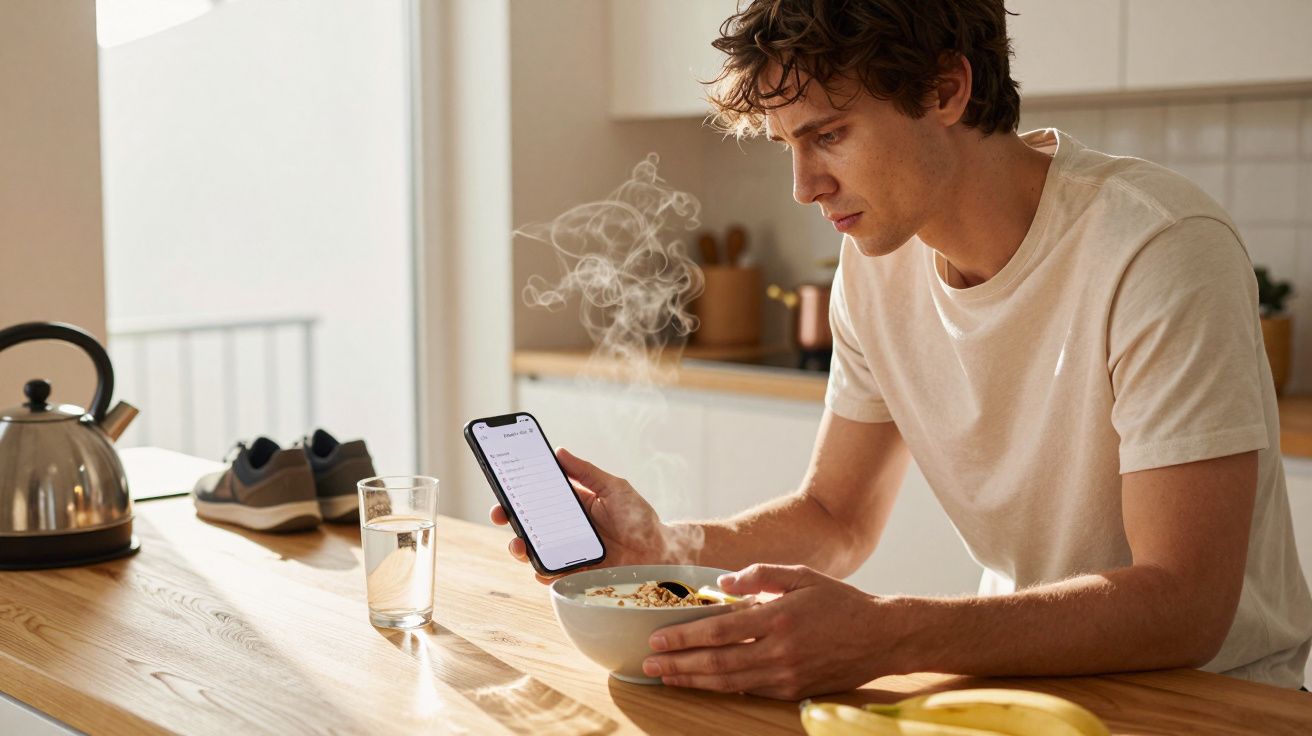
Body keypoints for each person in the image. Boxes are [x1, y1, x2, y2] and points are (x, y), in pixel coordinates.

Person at [492, 0, 1312, 698]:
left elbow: (1185, 603)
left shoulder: (1157, 246)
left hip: (1216, 702)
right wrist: (663, 546)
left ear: (946, 90)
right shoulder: (875, 267)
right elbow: (834, 518)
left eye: (831, 135)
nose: (803, 186)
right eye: (789, 147)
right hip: (1021, 690)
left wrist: (889, 635)